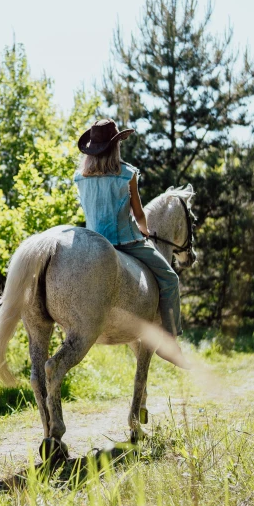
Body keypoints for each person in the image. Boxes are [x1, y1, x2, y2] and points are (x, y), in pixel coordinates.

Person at [74, 118, 182, 342]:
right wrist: (145, 230)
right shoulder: (127, 173)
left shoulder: (80, 177)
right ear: (116, 146)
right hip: (126, 241)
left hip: (93, 243)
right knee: (170, 279)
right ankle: (169, 337)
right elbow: (139, 214)